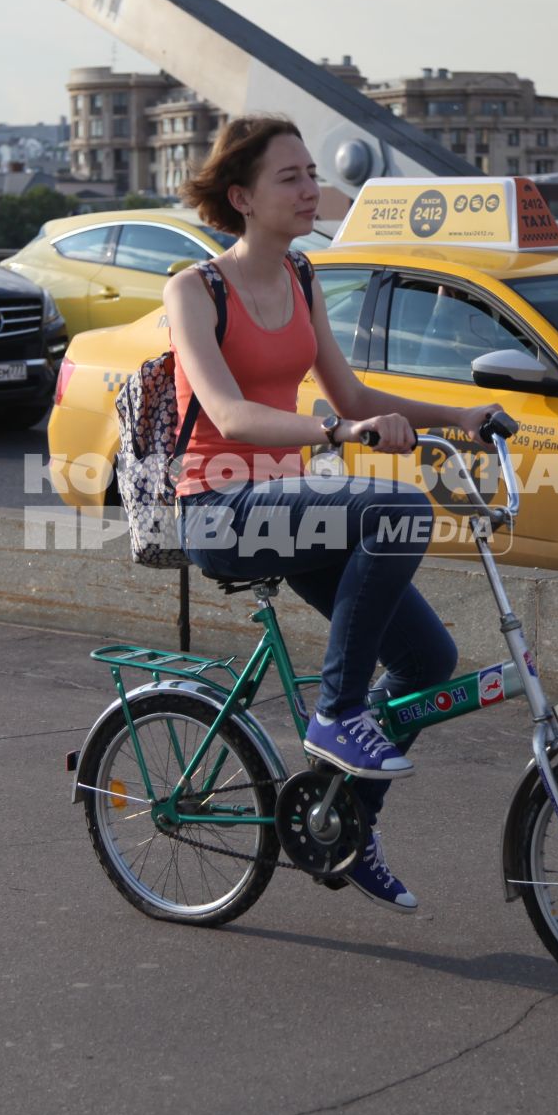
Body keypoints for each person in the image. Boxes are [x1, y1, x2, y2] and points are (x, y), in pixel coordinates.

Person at [168, 116, 500, 913]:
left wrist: (461, 417)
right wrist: (336, 434)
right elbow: (232, 413)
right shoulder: (195, 289)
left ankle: (345, 827)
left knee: (427, 662)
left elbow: (352, 394)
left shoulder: (305, 277)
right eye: (290, 177)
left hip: (288, 507)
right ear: (242, 197)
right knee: (394, 506)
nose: (311, 188)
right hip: (218, 510)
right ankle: (337, 713)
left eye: (312, 173)